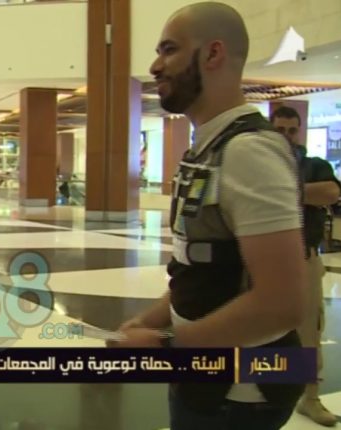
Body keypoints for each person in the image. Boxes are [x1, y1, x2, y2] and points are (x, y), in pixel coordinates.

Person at [108, 3, 308, 429]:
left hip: (239, 397)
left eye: (169, 50)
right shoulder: (208, 149)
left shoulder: (248, 152)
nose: (155, 66)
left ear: (213, 54)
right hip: (203, 384)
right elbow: (201, 273)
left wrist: (167, 344)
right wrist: (150, 321)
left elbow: (282, 304)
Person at [271, 105, 340, 427]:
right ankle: (262, 395)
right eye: (280, 130)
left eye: (291, 130)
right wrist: (301, 195)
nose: (286, 136)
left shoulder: (314, 165)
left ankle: (309, 398)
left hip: (304, 258)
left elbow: (329, 192)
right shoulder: (257, 163)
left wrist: (280, 192)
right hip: (261, 259)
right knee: (259, 329)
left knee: (308, 329)